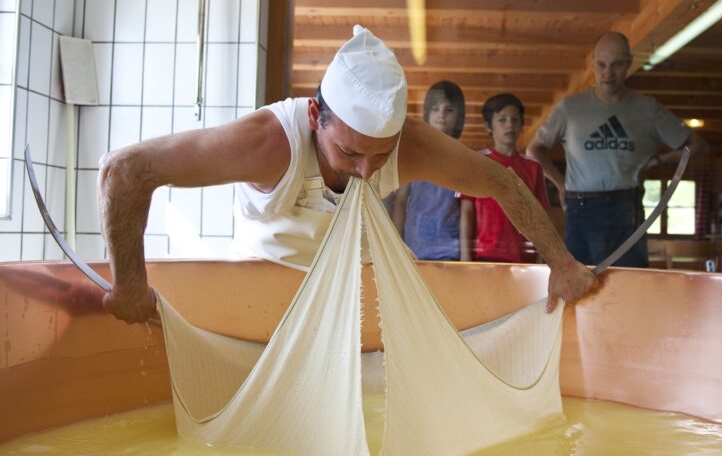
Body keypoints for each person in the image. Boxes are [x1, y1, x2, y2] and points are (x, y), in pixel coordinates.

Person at [98, 25, 596, 323]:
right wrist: (130, 286)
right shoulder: (267, 142)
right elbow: (125, 171)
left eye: (381, 157)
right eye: (351, 152)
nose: (366, 172)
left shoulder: (410, 144)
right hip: (260, 298)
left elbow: (501, 183)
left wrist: (561, 263)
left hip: (361, 304)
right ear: (317, 116)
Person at [526, 31, 707, 268]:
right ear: (592, 63)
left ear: (629, 63)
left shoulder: (647, 109)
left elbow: (698, 145)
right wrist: (560, 185)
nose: (608, 73)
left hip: (627, 205)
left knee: (629, 281)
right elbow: (534, 150)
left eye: (617, 65)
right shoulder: (571, 108)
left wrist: (660, 161)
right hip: (581, 207)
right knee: (579, 282)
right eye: (601, 64)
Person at [459, 93, 549, 263]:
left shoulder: (533, 167)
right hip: (485, 256)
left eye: (515, 119)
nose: (510, 125)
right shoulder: (476, 162)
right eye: (502, 120)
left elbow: (541, 217)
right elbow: (466, 211)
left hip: (524, 258)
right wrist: (465, 256)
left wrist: (542, 255)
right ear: (488, 126)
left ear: (522, 124)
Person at [391, 81, 466, 261]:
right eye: (435, 108)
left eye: (449, 110)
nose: (441, 114)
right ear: (427, 113)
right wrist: (395, 246)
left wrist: (466, 257)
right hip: (415, 249)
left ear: (459, 115)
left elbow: (465, 210)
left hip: (451, 250)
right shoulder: (413, 154)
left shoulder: (463, 157)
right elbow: (400, 202)